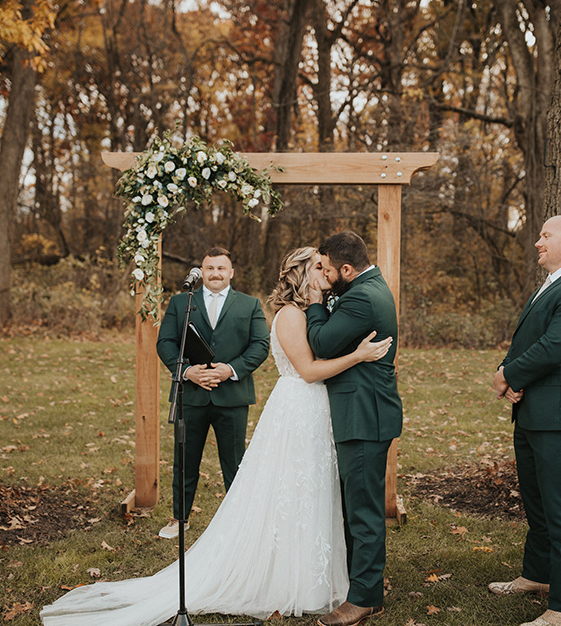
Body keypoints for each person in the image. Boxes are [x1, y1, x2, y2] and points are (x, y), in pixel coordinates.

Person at [40, 247, 392, 625]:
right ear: (302, 275)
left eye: (326, 266)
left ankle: (316, 575)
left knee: (312, 493)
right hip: (298, 408)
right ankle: (286, 577)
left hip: (316, 411)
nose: (326, 273)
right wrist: (359, 356)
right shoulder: (290, 315)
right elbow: (307, 370)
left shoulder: (313, 312)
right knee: (291, 493)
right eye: (318, 268)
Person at [488, 215, 561, 626]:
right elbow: (528, 339)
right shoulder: (554, 284)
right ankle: (536, 576)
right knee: (536, 500)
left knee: (559, 506)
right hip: (535, 410)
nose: (537, 242)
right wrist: (511, 371)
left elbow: (555, 346)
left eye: (545, 236)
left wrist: (508, 375)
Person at [306, 230, 403, 626]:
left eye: (329, 269)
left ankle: (363, 598)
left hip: (365, 415)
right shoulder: (366, 286)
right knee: (357, 504)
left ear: (347, 268)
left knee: (363, 510)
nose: (325, 276)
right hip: (364, 410)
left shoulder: (362, 297)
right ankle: (361, 585)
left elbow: (323, 343)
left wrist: (314, 303)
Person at [155, 246, 269, 538]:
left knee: (234, 460)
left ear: (231, 272)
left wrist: (230, 369)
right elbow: (165, 342)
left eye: (221, 268)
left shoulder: (250, 304)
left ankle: (239, 519)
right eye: (209, 268)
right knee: (184, 458)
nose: (215, 273)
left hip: (232, 395)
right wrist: (186, 371)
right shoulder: (181, 302)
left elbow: (260, 345)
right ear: (201, 272)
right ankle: (180, 519)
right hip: (190, 394)